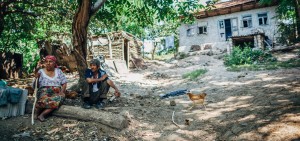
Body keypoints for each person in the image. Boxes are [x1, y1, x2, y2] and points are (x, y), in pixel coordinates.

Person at [34, 55, 67, 122]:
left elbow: (64, 83)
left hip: (56, 91)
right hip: (44, 91)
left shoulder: (58, 71)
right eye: (46, 61)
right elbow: (36, 86)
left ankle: (42, 114)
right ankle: (37, 111)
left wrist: (62, 92)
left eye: (50, 61)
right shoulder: (40, 71)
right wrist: (36, 78)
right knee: (45, 98)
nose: (48, 63)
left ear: (54, 63)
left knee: (59, 98)